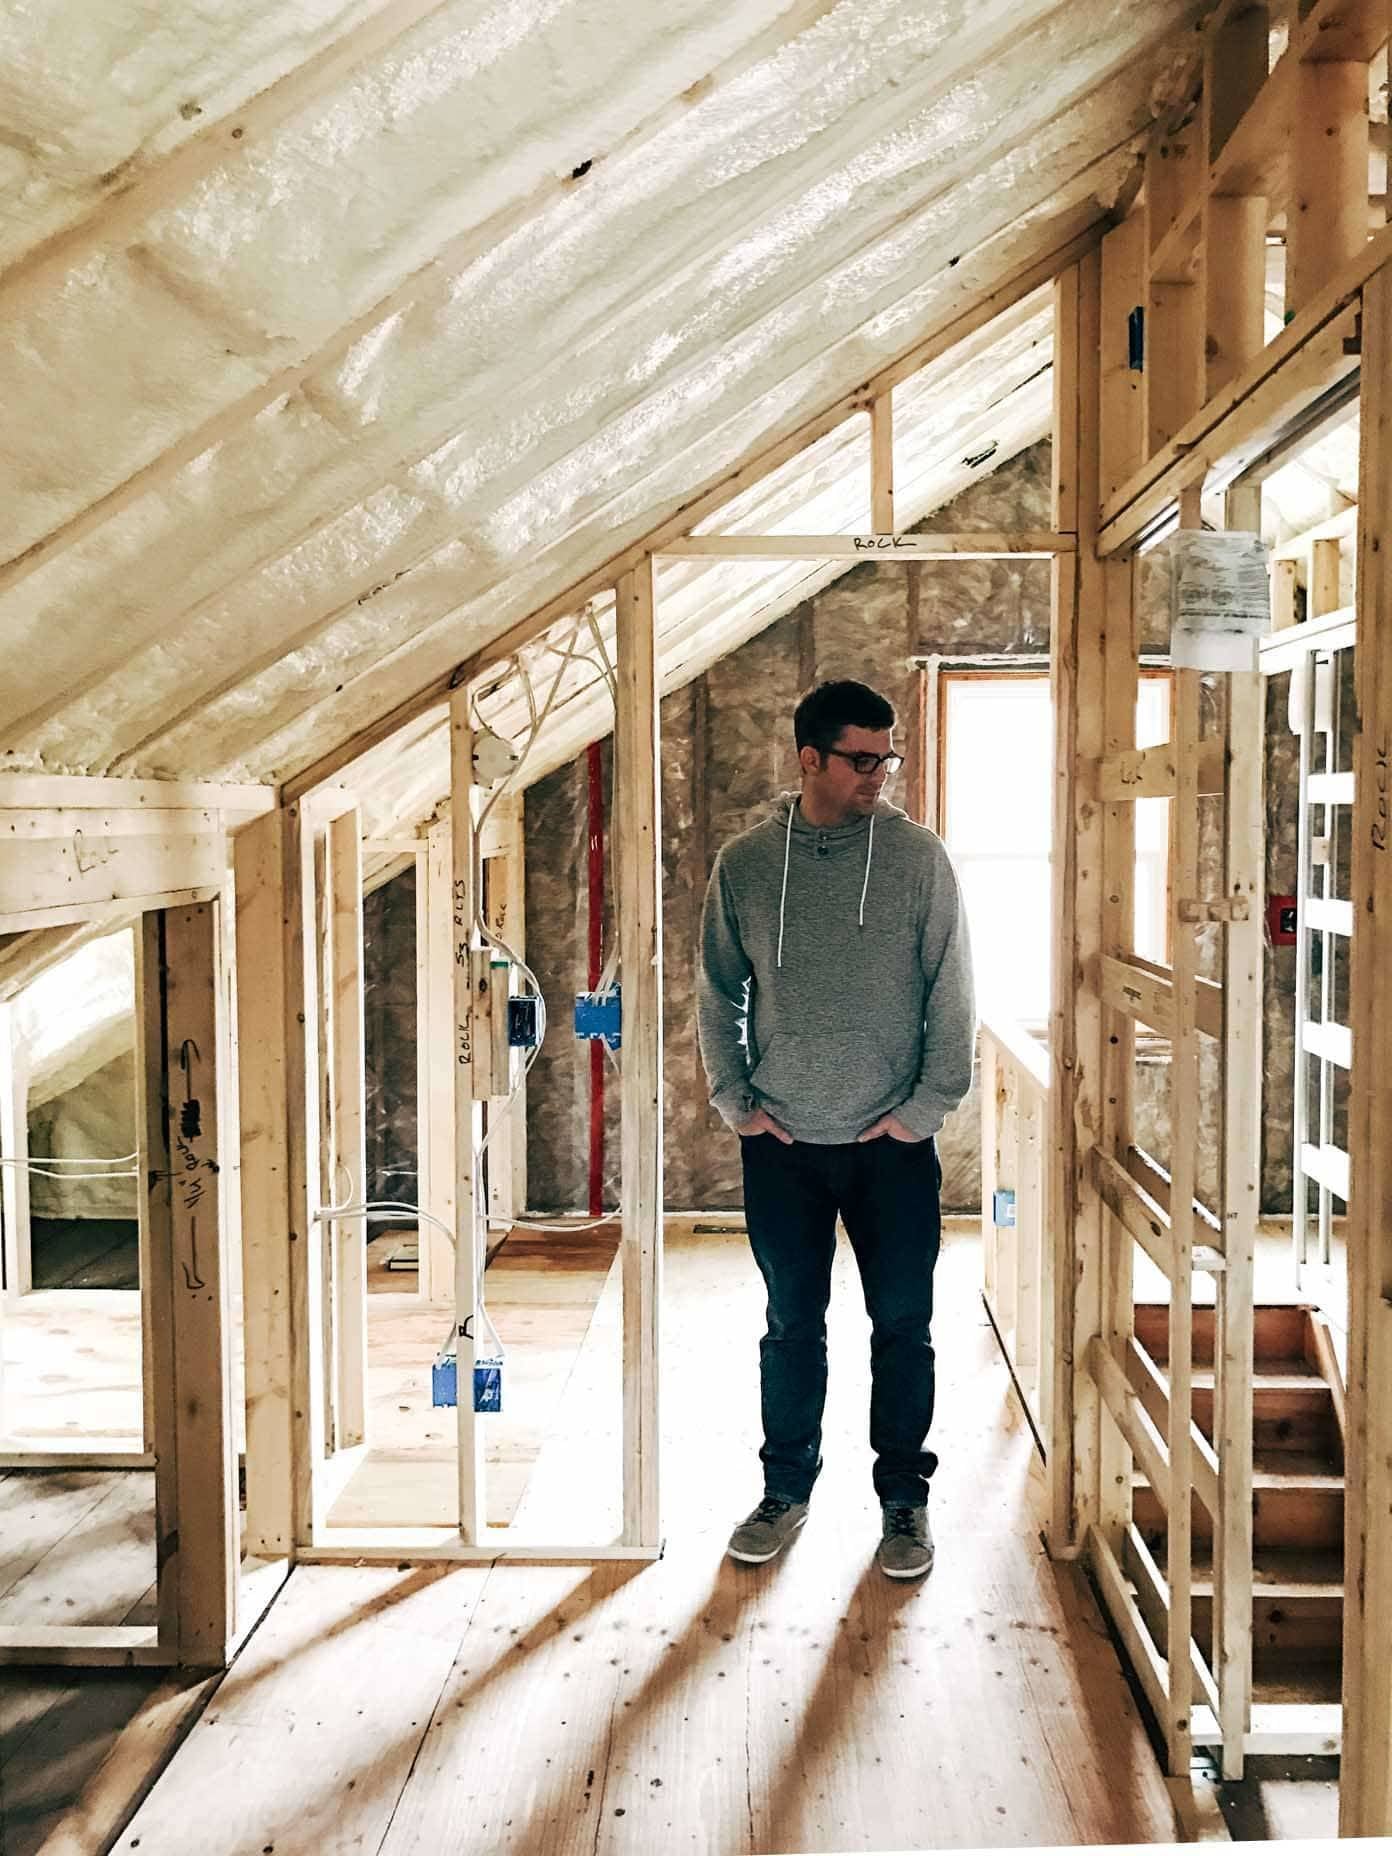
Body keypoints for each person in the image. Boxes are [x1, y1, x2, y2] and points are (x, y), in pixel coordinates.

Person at [697, 678, 975, 1579]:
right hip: (784, 1148)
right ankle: (786, 1491)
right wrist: (738, 1101)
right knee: (791, 1326)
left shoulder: (917, 860)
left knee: (904, 1326)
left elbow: (952, 991)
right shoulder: (745, 863)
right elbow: (718, 989)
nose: (880, 775)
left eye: (887, 758)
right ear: (808, 758)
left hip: (892, 1148)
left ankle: (904, 1504)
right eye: (862, 759)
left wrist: (922, 1110)